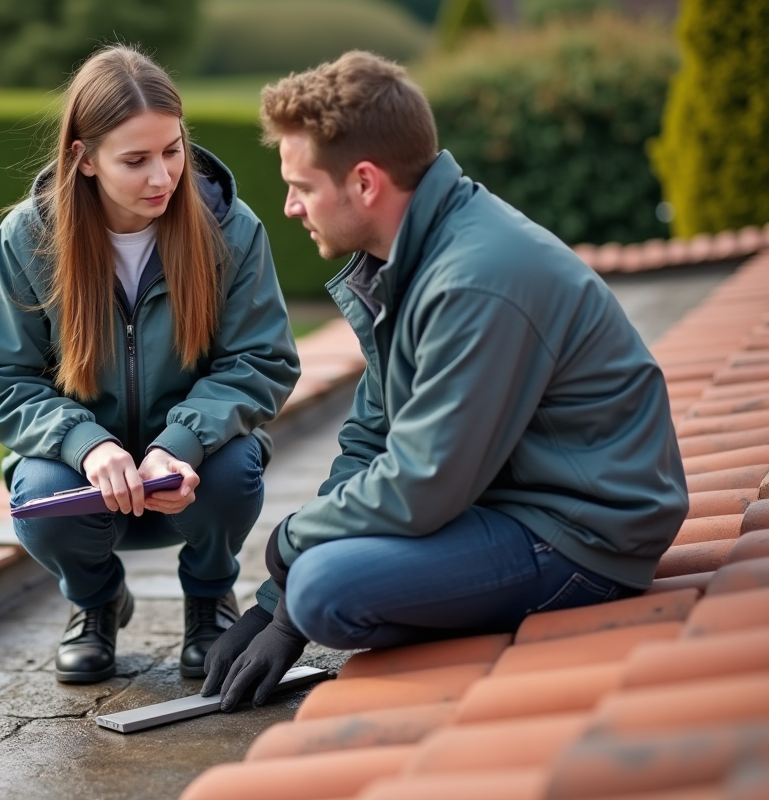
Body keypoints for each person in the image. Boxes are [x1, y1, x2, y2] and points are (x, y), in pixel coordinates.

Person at [201, 51, 689, 710]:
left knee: (322, 588)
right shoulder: (402, 260)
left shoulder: (475, 279)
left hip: (582, 537)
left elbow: (422, 484)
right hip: (502, 503)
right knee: (314, 588)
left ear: (366, 183)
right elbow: (372, 439)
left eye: (303, 186)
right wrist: (269, 609)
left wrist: (291, 563)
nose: (289, 207)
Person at [0, 46, 300, 684]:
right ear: (83, 160)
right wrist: (86, 445)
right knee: (36, 490)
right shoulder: (28, 240)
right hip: (87, 479)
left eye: (172, 150)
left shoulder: (231, 229)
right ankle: (96, 603)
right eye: (135, 160)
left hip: (191, 475)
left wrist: (182, 442)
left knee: (234, 468)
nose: (162, 177)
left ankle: (209, 597)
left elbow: (262, 359)